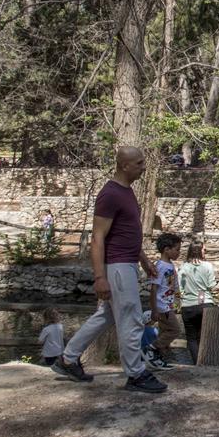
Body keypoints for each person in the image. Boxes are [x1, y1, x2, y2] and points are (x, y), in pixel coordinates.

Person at [52, 146, 166, 393]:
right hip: (117, 267)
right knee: (132, 320)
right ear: (124, 166)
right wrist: (99, 276)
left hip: (126, 263)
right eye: (139, 163)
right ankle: (136, 374)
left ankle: (68, 358)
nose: (144, 166)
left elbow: (126, 234)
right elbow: (98, 238)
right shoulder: (110, 194)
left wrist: (145, 261)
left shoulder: (126, 192)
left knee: (106, 317)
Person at [147, 233, 182, 370]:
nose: (179, 252)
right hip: (162, 306)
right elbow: (154, 289)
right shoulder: (160, 266)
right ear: (167, 249)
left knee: (163, 332)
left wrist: (176, 302)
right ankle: (150, 349)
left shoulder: (170, 265)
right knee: (175, 330)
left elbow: (172, 286)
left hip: (168, 304)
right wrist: (154, 309)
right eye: (177, 249)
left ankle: (157, 359)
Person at [179, 242, 217, 364]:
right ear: (199, 251)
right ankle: (207, 360)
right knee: (205, 336)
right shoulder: (207, 266)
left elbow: (179, 288)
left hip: (188, 305)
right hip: (205, 303)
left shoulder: (183, 267)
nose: (205, 252)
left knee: (191, 337)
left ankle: (197, 363)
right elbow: (211, 285)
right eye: (204, 250)